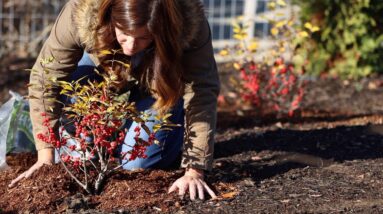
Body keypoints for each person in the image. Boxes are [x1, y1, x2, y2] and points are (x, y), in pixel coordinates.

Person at [9, 0, 220, 200]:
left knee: (136, 164)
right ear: (110, 17)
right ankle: (89, 142)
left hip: (161, 81)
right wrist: (46, 158)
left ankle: (167, 126)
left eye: (143, 37)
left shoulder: (188, 22)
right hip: (103, 68)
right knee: (75, 78)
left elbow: (202, 89)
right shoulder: (81, 12)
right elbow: (45, 78)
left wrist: (195, 169)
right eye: (124, 35)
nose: (130, 46)